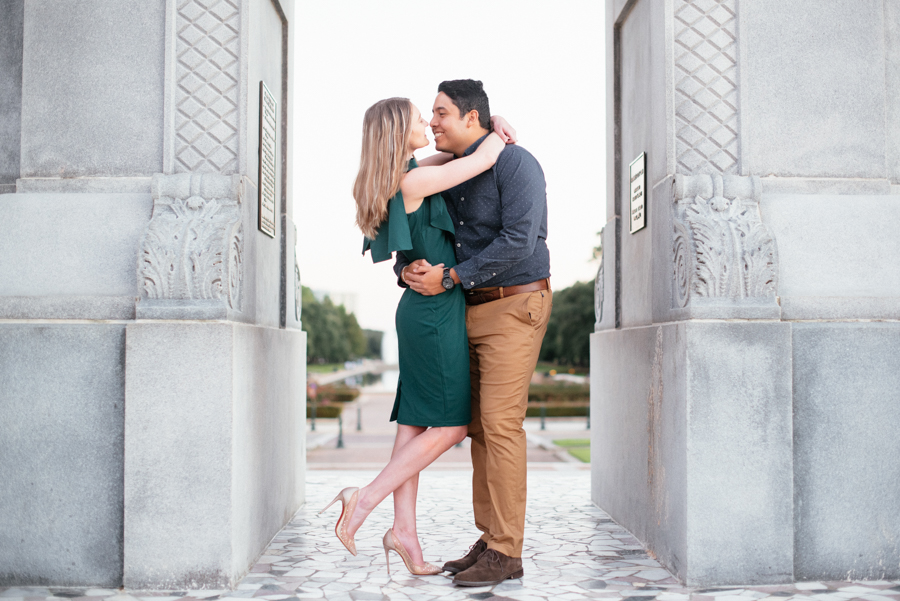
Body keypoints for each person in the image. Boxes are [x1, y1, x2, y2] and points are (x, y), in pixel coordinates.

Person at [320, 97, 516, 576]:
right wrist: (496, 126)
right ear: (396, 130)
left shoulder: (406, 173)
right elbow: (482, 158)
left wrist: (489, 125)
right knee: (450, 426)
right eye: (416, 117)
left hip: (423, 308)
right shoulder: (412, 181)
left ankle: (404, 534)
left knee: (412, 425)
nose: (427, 122)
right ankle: (363, 500)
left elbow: (453, 157)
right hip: (433, 312)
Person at [396, 79, 552, 587]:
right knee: (481, 428)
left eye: (441, 113)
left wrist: (452, 277)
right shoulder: (452, 168)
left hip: (516, 303)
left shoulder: (516, 162)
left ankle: (507, 551)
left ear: (471, 117)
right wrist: (411, 271)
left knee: (501, 425)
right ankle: (491, 539)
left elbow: (518, 239)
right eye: (431, 114)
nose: (433, 121)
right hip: (467, 309)